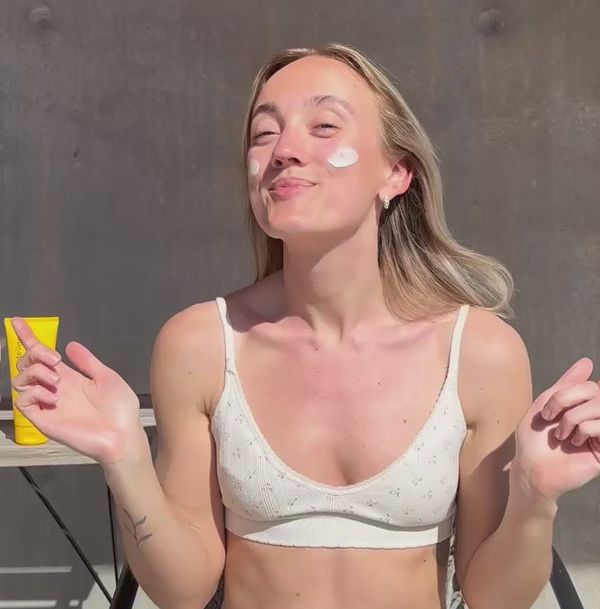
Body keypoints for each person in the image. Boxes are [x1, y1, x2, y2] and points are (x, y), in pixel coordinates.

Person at [11, 44, 600, 609]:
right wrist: (126, 459)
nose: (284, 150)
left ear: (396, 173)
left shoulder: (480, 354)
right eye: (264, 133)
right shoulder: (199, 345)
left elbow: (495, 598)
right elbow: (183, 591)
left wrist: (534, 498)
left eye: (323, 126)